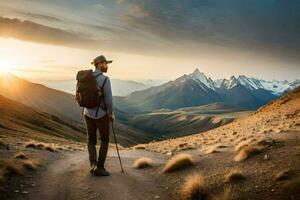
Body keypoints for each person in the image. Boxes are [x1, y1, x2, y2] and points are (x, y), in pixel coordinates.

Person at [83, 55, 115, 176]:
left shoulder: (85, 77)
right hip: (101, 115)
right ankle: (100, 167)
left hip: (87, 112)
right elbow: (109, 100)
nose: (107, 66)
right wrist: (111, 114)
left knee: (91, 140)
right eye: (106, 64)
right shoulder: (105, 79)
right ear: (100, 64)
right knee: (105, 140)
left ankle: (93, 165)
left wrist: (84, 109)